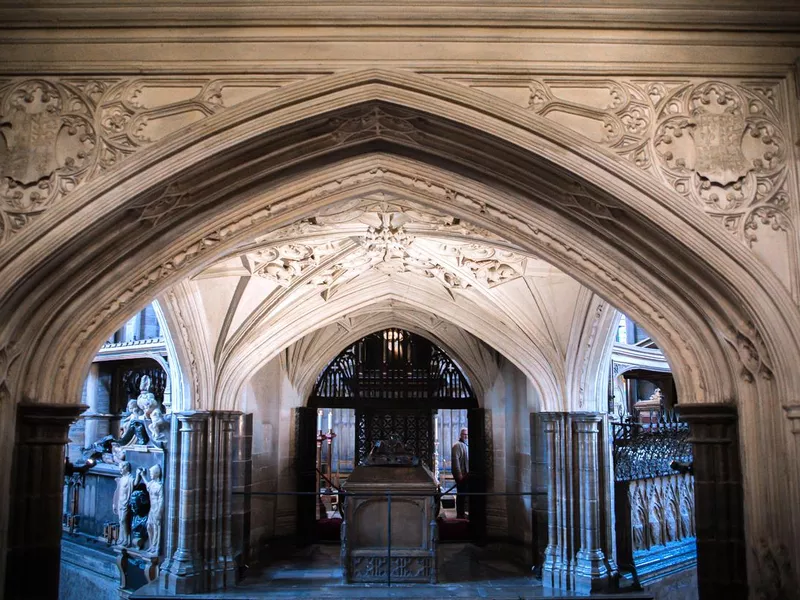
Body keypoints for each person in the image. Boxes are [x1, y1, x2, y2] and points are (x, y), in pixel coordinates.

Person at [451, 427, 469, 519]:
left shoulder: (466, 445)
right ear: (460, 435)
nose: (465, 436)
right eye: (464, 434)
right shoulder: (457, 446)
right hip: (462, 476)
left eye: (467, 435)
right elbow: (455, 462)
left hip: (467, 475)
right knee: (461, 495)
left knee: (465, 495)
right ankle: (460, 514)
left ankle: (464, 513)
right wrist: (459, 475)